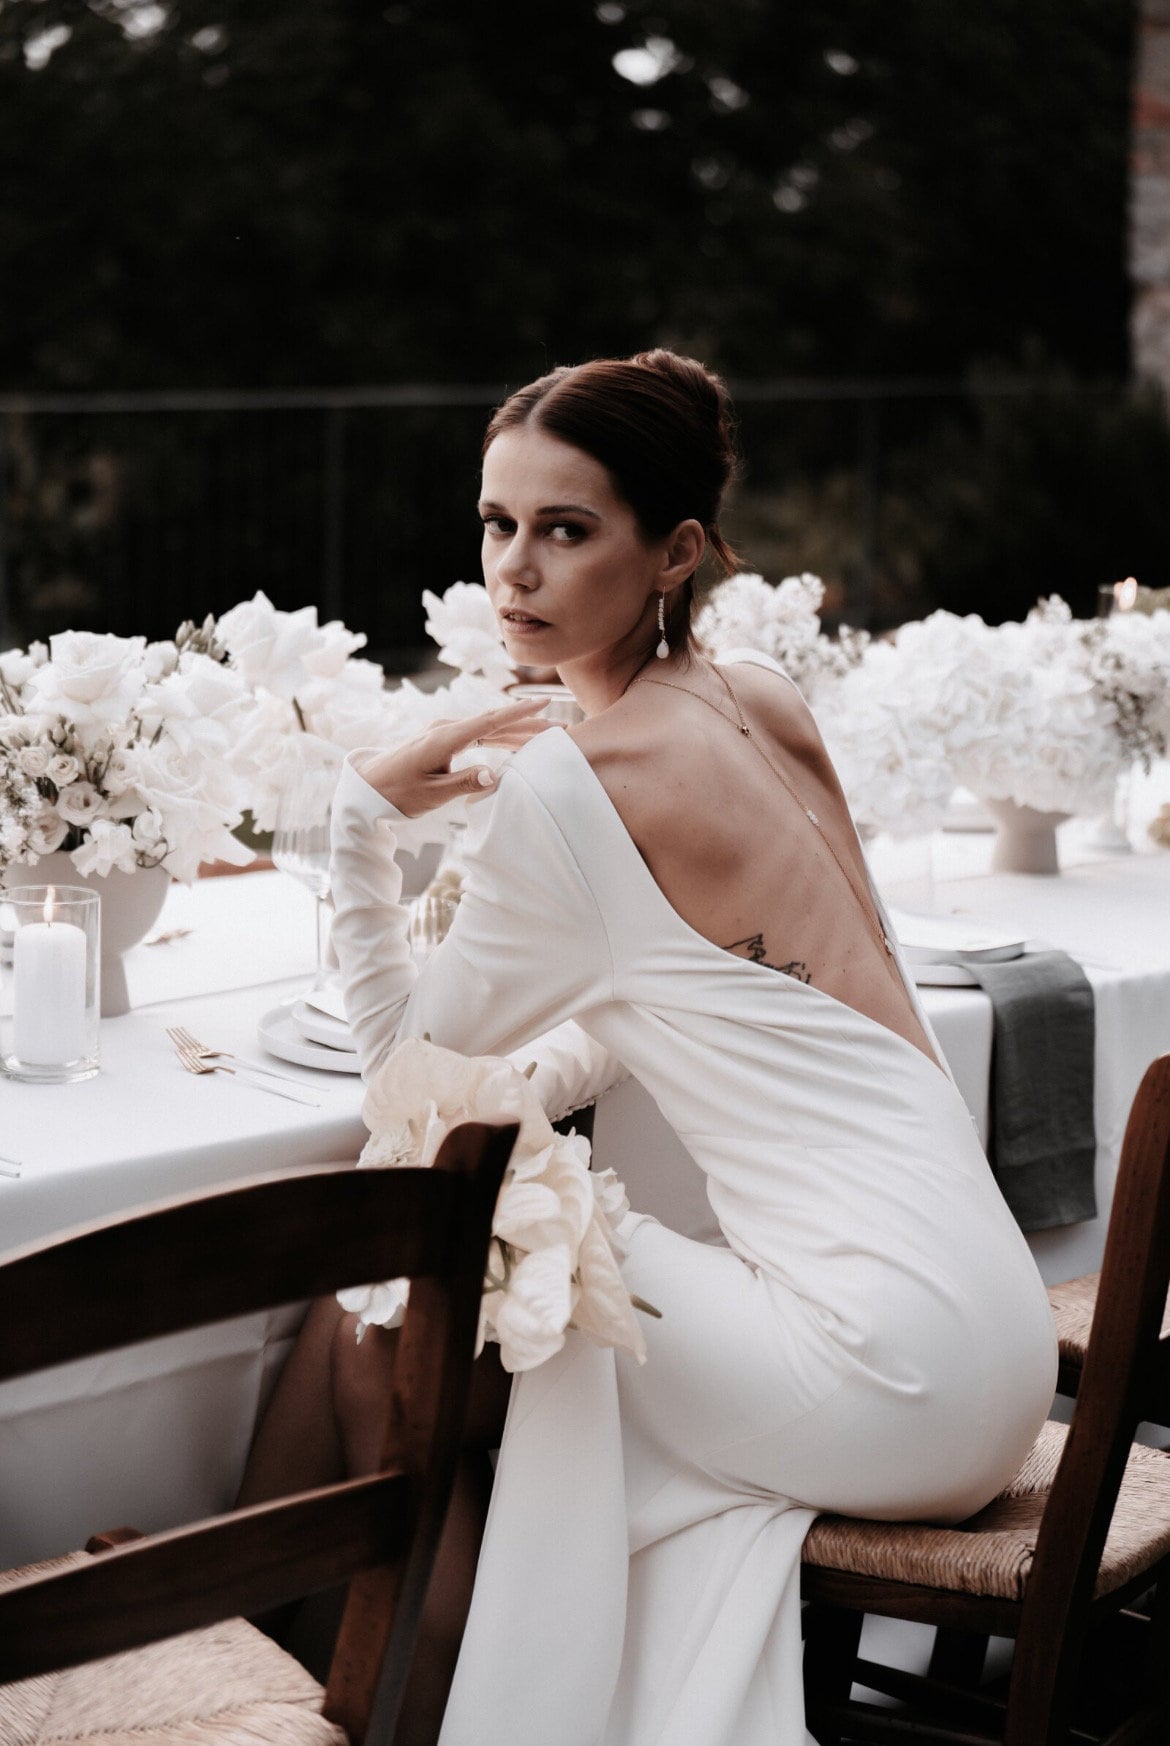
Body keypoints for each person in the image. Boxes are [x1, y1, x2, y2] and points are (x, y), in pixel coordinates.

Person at [240, 350, 1057, 1746]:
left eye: (566, 530)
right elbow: (715, 1005)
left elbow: (401, 1090)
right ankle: (289, 1673)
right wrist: (534, 1074)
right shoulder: (763, 699)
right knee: (421, 1285)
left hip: (882, 1375)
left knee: (390, 1293)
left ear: (675, 552)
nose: (515, 569)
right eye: (498, 523)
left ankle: (306, 1688)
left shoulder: (584, 782)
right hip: (994, 1336)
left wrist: (361, 824)